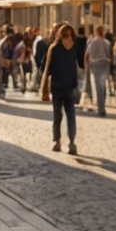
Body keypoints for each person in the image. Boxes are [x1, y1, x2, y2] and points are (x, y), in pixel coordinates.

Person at [45, 23, 83, 153]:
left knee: (70, 115)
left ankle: (71, 142)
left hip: (70, 87)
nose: (68, 40)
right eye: (65, 37)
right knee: (57, 115)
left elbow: (81, 63)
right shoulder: (54, 48)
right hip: (57, 87)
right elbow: (48, 68)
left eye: (70, 37)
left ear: (73, 36)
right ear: (61, 37)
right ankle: (57, 141)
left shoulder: (75, 47)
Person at [84, 24, 113, 116]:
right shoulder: (107, 42)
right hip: (104, 65)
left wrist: (87, 67)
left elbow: (87, 55)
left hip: (95, 65)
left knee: (98, 87)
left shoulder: (92, 42)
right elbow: (109, 55)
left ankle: (101, 108)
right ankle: (102, 107)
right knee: (103, 86)